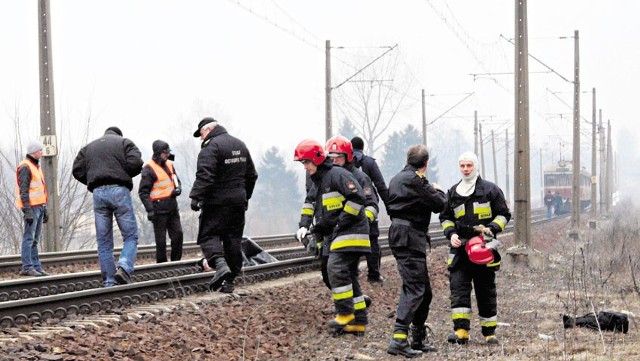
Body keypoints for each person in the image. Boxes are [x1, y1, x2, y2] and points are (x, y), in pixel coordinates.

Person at [294, 139, 370, 336]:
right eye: (303, 164)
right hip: (338, 233)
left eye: (307, 162)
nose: (306, 167)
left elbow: (357, 197)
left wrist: (340, 222)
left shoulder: (337, 174)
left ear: (318, 159)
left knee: (335, 268)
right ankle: (358, 322)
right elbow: (310, 203)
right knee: (349, 277)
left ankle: (345, 313)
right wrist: (303, 225)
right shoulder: (318, 181)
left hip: (350, 232)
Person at [439, 151, 511, 345]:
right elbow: (445, 218)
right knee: (459, 290)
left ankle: (489, 333)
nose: (465, 169)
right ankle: (461, 332)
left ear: (476, 166)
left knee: (486, 290)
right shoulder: (453, 192)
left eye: (469, 165)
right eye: (462, 166)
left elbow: (504, 214)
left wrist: (492, 229)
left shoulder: (490, 190)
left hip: (483, 249)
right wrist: (451, 234)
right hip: (460, 251)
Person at [385, 145, 446, 358]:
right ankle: (399, 339)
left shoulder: (396, 179)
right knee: (415, 289)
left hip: (404, 236)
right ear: (425, 164)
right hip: (409, 237)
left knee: (424, 291)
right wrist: (438, 189)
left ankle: (418, 337)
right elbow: (439, 204)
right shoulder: (416, 180)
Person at [190, 117, 258, 294]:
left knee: (208, 235)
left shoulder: (211, 147)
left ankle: (220, 265)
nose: (201, 138)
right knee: (233, 240)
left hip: (216, 203)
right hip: (237, 203)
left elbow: (205, 175)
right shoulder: (240, 145)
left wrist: (196, 196)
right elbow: (251, 175)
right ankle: (229, 281)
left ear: (208, 130)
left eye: (201, 134)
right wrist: (244, 197)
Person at [72, 127, 143, 287]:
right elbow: (137, 162)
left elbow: (77, 169)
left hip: (98, 193)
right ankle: (124, 266)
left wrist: (93, 179)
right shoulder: (124, 143)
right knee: (130, 236)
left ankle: (110, 281)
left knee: (103, 242)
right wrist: (122, 174)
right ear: (119, 134)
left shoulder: (89, 147)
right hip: (119, 191)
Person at [350, 136, 388, 284]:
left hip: (350, 208)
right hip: (369, 206)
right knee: (372, 241)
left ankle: (353, 272)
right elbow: (381, 186)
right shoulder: (369, 163)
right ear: (362, 147)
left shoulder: (346, 162)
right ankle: (373, 275)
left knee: (351, 241)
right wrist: (390, 208)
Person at [138, 140, 184, 263]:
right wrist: (149, 210)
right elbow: (143, 192)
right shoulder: (149, 169)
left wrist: (178, 188)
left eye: (168, 153)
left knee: (178, 235)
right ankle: (162, 264)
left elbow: (176, 180)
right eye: (165, 153)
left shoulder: (170, 165)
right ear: (158, 153)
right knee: (161, 241)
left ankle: (176, 262)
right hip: (158, 210)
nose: (167, 155)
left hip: (172, 208)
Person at [16, 140, 49, 277]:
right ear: (34, 152)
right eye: (40, 150)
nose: (42, 152)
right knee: (29, 238)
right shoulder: (26, 167)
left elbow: (40, 190)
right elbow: (24, 191)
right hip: (32, 207)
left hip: (39, 207)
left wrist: (44, 207)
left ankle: (36, 266)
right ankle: (27, 267)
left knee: (35, 239)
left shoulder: (35, 166)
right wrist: (27, 210)